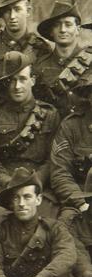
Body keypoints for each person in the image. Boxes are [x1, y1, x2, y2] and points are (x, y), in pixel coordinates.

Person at [0, 51, 61, 220]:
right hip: (4, 186)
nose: (17, 86)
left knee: (46, 221)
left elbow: (53, 160)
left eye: (22, 79)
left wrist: (35, 182)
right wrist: (7, 182)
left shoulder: (49, 114)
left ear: (32, 80)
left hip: (39, 186)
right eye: (11, 80)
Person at [33, 1, 91, 117]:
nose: (62, 29)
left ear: (78, 29)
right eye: (57, 25)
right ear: (51, 31)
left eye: (68, 24)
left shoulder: (90, 60)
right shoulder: (39, 66)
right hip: (50, 131)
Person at [51, 71, 92, 223]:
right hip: (81, 199)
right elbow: (59, 173)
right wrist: (82, 204)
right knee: (65, 225)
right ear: (88, 96)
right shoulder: (71, 126)